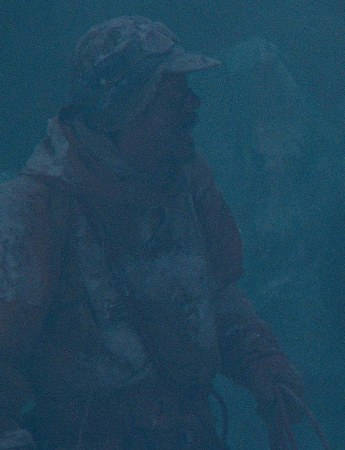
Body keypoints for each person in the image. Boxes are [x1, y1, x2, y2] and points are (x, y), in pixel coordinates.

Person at [0, 16, 306, 449]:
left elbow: (213, 300)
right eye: (175, 96)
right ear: (124, 110)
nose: (195, 105)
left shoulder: (184, 183)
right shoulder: (34, 211)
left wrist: (261, 360)